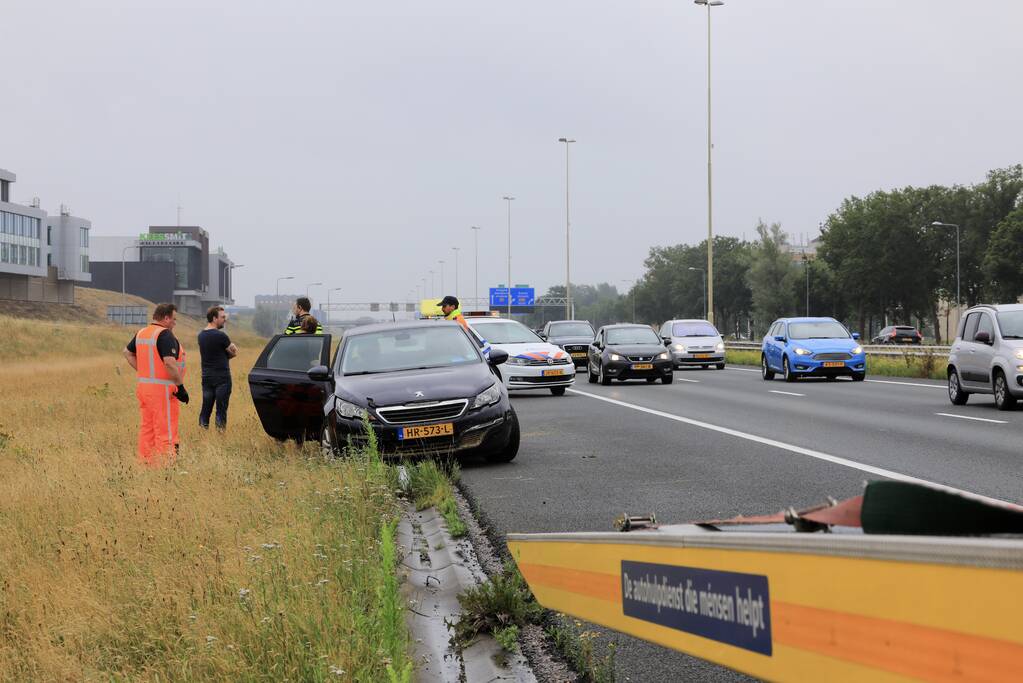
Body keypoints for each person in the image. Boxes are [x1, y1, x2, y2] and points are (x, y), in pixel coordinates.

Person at [123, 303, 187, 466]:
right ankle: (167, 467)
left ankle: (147, 464)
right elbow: (169, 363)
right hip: (163, 392)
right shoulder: (165, 335)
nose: (174, 322)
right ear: (166, 318)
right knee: (166, 430)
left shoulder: (142, 333)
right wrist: (180, 387)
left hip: (145, 390)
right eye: (174, 319)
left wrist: (143, 372)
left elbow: (127, 352)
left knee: (148, 429)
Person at [198, 306, 238, 431]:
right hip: (222, 378)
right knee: (221, 410)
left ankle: (201, 434)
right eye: (222, 317)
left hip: (207, 377)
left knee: (206, 409)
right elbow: (234, 352)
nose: (224, 320)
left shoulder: (201, 335)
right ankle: (220, 437)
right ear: (214, 318)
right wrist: (230, 353)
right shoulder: (221, 336)